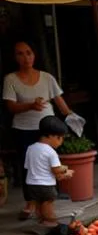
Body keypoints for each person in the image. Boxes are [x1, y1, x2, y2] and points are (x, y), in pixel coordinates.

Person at [3, 39, 72, 220]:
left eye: (29, 52)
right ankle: (31, 202)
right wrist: (30, 106)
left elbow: (61, 104)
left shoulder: (47, 77)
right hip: (23, 128)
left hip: (47, 130)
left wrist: (73, 118)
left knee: (51, 164)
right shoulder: (10, 79)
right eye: (20, 53)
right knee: (28, 168)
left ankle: (48, 201)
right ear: (14, 57)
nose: (26, 57)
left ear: (34, 54)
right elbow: (10, 107)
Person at [23, 115, 72, 227]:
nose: (61, 142)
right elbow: (56, 170)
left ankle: (41, 221)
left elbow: (27, 166)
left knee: (39, 204)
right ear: (51, 136)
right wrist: (66, 170)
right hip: (46, 185)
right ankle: (50, 223)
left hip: (31, 184)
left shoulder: (31, 148)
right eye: (60, 138)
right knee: (47, 203)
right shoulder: (51, 152)